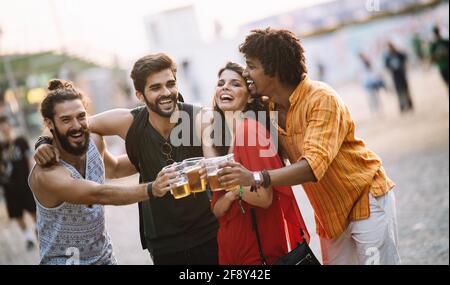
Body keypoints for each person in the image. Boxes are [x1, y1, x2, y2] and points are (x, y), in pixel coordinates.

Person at [217, 28, 400, 265]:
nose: (247, 73)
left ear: (273, 69)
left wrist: (255, 178)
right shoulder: (270, 107)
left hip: (366, 199)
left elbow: (311, 167)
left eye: (252, 66)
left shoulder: (321, 99)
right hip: (329, 215)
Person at [34, 54, 219, 265]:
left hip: (209, 231)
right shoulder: (128, 122)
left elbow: (222, 158)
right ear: (140, 94)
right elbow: (73, 125)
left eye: (170, 84)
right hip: (164, 242)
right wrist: (42, 142)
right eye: (156, 87)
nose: (166, 92)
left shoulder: (199, 118)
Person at [29, 79, 152, 265]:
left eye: (81, 116)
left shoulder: (94, 142)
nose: (76, 125)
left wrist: (159, 156)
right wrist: (154, 189)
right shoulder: (46, 173)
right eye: (66, 120)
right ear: (49, 123)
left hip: (106, 259)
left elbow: (116, 168)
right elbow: (98, 194)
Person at [203, 62, 309, 264]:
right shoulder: (228, 139)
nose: (225, 87)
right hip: (232, 251)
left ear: (250, 95)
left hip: (256, 253)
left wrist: (236, 190)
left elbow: (264, 197)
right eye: (221, 83)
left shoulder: (249, 131)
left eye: (235, 84)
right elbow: (217, 208)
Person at [0, 115, 37, 250]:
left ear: (10, 125)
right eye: (1, 125)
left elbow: (29, 160)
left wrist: (32, 178)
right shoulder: (1, 146)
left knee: (33, 210)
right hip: (9, 187)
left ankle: (37, 230)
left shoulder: (20, 141)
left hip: (25, 183)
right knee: (17, 214)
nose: (4, 127)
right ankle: (28, 238)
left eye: (6, 124)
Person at [384, 42, 414, 112]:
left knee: (405, 90)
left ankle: (409, 104)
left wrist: (405, 66)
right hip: (395, 76)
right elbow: (386, 66)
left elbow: (406, 58)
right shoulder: (388, 56)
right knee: (399, 92)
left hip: (402, 74)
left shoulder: (399, 54)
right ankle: (402, 106)